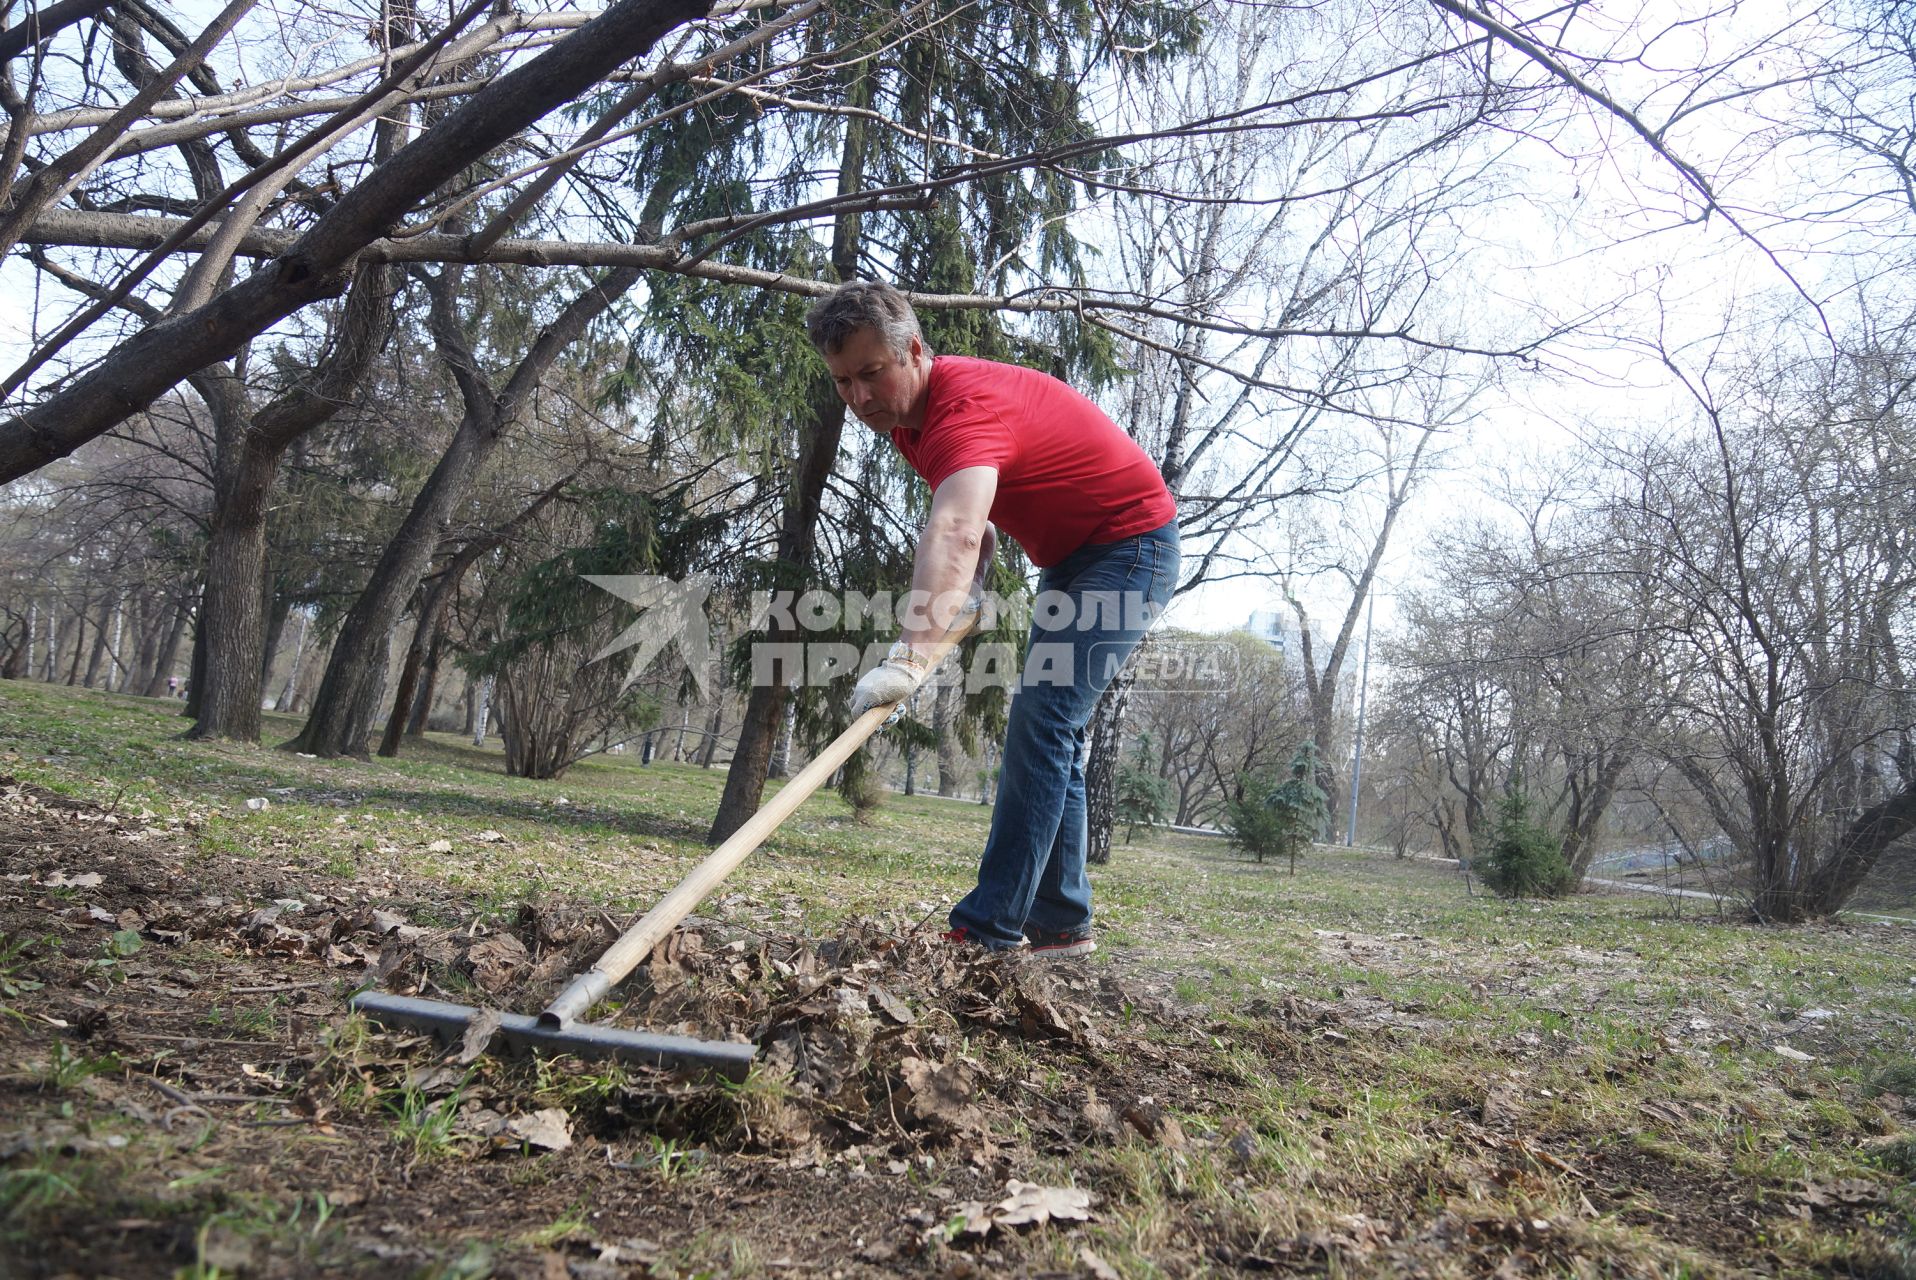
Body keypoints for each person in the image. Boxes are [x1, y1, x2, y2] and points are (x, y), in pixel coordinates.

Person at [807, 279, 1179, 955]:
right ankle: (1060, 920)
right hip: (1074, 559)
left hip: (1129, 548)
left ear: (914, 350)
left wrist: (910, 656)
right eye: (842, 382)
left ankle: (988, 928)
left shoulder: (961, 411)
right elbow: (974, 527)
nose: (859, 398)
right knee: (1050, 731)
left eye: (870, 374)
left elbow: (950, 528)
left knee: (1046, 722)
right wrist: (969, 594)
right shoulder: (909, 424)